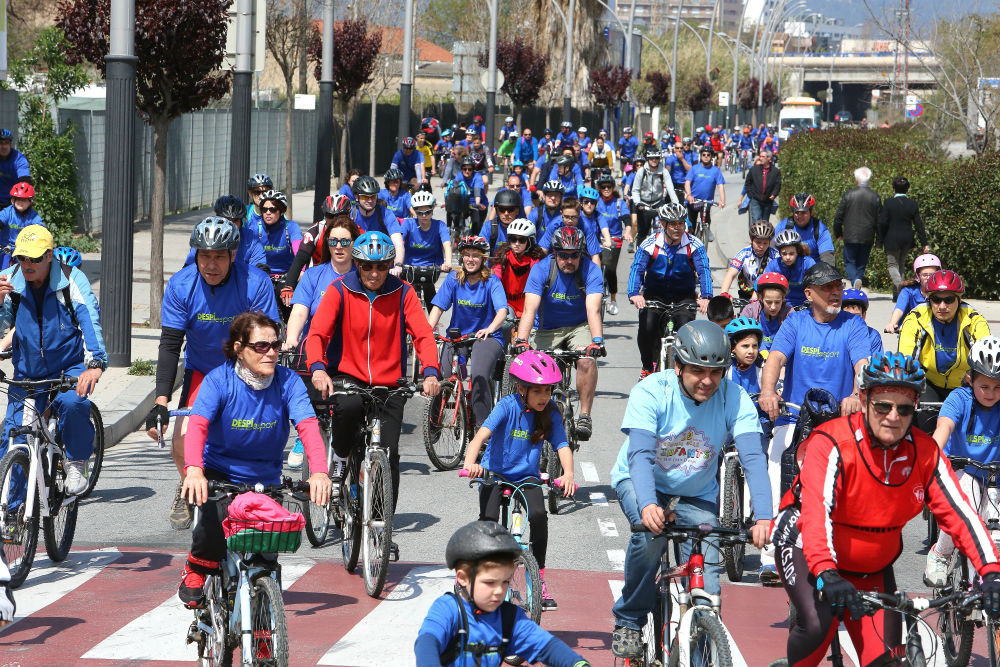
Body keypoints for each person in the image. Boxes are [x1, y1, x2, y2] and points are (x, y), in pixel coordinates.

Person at [770, 352, 1000, 667]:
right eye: (883, 406)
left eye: (904, 408)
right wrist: (826, 572)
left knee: (887, 661)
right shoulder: (833, 442)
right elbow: (815, 513)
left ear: (916, 407)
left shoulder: (925, 452)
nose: (893, 416)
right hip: (806, 546)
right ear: (864, 399)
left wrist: (991, 573)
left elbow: (963, 516)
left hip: (872, 565)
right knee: (816, 625)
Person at [609, 320, 772, 659]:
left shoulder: (734, 396)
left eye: (716, 371)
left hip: (696, 493)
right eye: (698, 371)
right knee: (651, 535)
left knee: (708, 589)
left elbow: (753, 457)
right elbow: (639, 454)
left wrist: (765, 517)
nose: (708, 381)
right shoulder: (652, 391)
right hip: (642, 482)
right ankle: (629, 619)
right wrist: (647, 505)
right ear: (678, 366)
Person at [177, 311, 331, 607]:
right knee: (211, 524)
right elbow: (197, 425)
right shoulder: (218, 380)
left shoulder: (288, 382)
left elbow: (308, 426)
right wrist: (194, 470)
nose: (271, 352)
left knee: (266, 556)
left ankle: (265, 634)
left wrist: (320, 473)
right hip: (220, 473)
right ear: (239, 348)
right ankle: (197, 566)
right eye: (261, 346)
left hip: (265, 480)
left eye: (275, 345)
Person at [305, 231, 441, 540]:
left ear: (390, 264)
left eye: (381, 266)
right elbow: (317, 334)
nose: (374, 274)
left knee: (389, 452)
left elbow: (422, 334)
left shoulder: (403, 292)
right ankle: (339, 463)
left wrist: (431, 371)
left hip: (389, 383)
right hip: (348, 378)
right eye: (367, 266)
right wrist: (318, 369)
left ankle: (380, 522)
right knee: (348, 409)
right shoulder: (339, 290)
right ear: (356, 264)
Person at [146, 217, 280, 530]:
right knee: (181, 442)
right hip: (202, 371)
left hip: (245, 370)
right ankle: (188, 485)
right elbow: (169, 345)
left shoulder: (255, 283)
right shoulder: (182, 284)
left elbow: (268, 340)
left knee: (249, 435)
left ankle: (252, 492)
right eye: (204, 255)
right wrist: (161, 402)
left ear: (234, 255)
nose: (211, 264)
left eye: (219, 256)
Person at [758, 261, 871, 582]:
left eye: (838, 286)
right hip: (795, 415)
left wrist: (856, 394)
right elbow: (776, 358)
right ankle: (769, 554)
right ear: (808, 294)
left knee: (849, 483)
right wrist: (768, 391)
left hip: (839, 420)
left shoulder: (853, 325)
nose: (836, 292)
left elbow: (863, 362)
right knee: (777, 465)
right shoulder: (795, 323)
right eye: (827, 287)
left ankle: (839, 550)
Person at [460, 351, 575, 610]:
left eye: (548, 391)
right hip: (496, 474)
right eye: (538, 392)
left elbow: (562, 445)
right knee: (489, 524)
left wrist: (568, 474)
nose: (545, 397)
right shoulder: (507, 406)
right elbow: (480, 437)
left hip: (527, 477)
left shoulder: (550, 412)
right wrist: (471, 463)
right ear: (521, 388)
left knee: (538, 516)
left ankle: (540, 580)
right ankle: (477, 577)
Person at [0, 224, 106, 497]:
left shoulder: (72, 280)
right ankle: (10, 516)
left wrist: (95, 364)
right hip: (27, 373)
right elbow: (4, 329)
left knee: (73, 403)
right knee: (13, 439)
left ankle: (76, 462)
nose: (27, 264)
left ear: (49, 255)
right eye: (22, 258)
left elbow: (90, 321)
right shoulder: (9, 281)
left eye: (34, 258)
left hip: (67, 367)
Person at [415, 521, 591, 667]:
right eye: (490, 582)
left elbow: (545, 646)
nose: (499, 591)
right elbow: (426, 642)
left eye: (505, 582)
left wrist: (577, 664)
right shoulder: (448, 609)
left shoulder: (509, 618)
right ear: (462, 578)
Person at [282, 213, 361, 469]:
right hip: (316, 353)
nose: (339, 246)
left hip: (352, 356)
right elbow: (300, 312)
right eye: (334, 241)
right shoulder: (314, 276)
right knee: (308, 404)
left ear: (354, 244)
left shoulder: (364, 276)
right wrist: (291, 339)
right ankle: (305, 437)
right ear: (326, 244)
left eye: (345, 241)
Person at [514, 227, 604, 441]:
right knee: (535, 371)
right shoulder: (541, 270)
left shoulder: (591, 271)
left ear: (581, 253)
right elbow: (529, 310)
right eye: (563, 255)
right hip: (546, 329)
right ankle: (530, 417)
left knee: (586, 361)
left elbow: (593, 310)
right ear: (555, 253)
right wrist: (521, 340)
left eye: (574, 255)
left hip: (578, 326)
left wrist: (597, 341)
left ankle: (584, 416)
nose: (569, 260)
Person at [924, 336, 1000, 586]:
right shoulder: (959, 398)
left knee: (995, 520)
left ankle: (989, 572)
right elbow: (943, 428)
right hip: (960, 468)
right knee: (965, 500)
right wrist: (930, 456)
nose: (991, 394)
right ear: (971, 379)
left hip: (993, 475)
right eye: (984, 387)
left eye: (998, 387)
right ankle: (941, 554)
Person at [428, 236, 508, 429]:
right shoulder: (454, 278)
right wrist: (426, 331)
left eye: (475, 256)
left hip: (486, 337)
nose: (470, 259)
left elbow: (502, 311)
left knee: (479, 376)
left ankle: (482, 431)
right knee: (444, 375)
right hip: (459, 337)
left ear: (483, 259)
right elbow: (438, 307)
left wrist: (490, 328)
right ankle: (433, 424)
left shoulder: (491, 281)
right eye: (466, 255)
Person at [628, 203, 713, 378]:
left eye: (681, 223)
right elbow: (637, 269)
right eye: (673, 224)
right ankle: (647, 367)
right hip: (655, 295)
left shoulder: (694, 244)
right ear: (662, 224)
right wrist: (634, 293)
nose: (678, 228)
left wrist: (706, 296)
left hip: (684, 297)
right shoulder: (650, 244)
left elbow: (704, 270)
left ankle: (684, 369)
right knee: (647, 326)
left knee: (686, 329)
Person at [898, 269, 991, 401]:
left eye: (949, 300)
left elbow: (986, 358)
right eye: (935, 299)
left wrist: (974, 374)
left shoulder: (973, 320)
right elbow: (906, 359)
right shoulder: (916, 318)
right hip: (929, 382)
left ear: (959, 299)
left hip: (964, 384)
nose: (942, 306)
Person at [280, 194, 352, 294]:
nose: (335, 220)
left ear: (349, 214)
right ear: (324, 215)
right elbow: (300, 259)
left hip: (349, 277)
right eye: (330, 216)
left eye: (341, 216)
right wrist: (289, 286)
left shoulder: (357, 231)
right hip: (321, 278)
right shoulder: (315, 231)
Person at [183, 195, 267, 271]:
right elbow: (188, 269)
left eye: (235, 221)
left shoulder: (251, 239)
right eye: (226, 219)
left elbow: (260, 270)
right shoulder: (204, 235)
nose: (230, 225)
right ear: (217, 217)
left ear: (242, 222)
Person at [878, 175, 929, 296]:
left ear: (893, 189)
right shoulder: (912, 204)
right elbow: (918, 225)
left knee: (892, 265)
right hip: (907, 239)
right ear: (907, 189)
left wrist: (879, 241)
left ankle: (901, 287)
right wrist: (924, 243)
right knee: (901, 264)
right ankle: (898, 295)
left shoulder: (888, 203)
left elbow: (882, 223)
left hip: (891, 239)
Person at [725, 317, 772, 450]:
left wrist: (777, 392)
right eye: (745, 346)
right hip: (730, 421)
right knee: (717, 453)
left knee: (761, 454)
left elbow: (776, 385)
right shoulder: (725, 369)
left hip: (758, 421)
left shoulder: (762, 367)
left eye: (755, 346)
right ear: (733, 348)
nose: (751, 351)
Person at [400, 190, 452, 306]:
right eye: (419, 212)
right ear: (415, 211)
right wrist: (396, 263)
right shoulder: (408, 224)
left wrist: (447, 263)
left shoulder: (440, 225)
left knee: (430, 293)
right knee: (406, 297)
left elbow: (447, 244)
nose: (424, 216)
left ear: (432, 210)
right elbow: (399, 242)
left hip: (432, 268)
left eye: (427, 212)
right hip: (410, 267)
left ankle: (433, 322)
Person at [833, 166, 882, 290]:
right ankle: (858, 280)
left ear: (856, 179)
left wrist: (838, 232)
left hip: (850, 235)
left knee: (849, 261)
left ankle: (855, 280)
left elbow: (839, 215)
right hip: (868, 235)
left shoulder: (849, 194)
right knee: (862, 263)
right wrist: (879, 240)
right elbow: (879, 221)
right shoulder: (875, 197)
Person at [493, 218, 544, 323]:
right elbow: (495, 277)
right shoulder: (502, 257)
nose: (516, 243)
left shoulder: (536, 261)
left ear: (529, 241)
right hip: (508, 305)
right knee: (505, 324)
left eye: (521, 240)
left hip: (529, 306)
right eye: (513, 239)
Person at [594, 173, 628, 315]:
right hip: (598, 239)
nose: (606, 189)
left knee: (610, 269)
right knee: (594, 269)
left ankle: (613, 299)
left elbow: (626, 218)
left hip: (615, 240)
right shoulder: (595, 202)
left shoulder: (619, 203)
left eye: (608, 186)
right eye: (603, 187)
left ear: (613, 187)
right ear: (599, 188)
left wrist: (628, 231)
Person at [351, 175, 406, 263]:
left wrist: (398, 265)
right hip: (357, 261)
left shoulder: (385, 213)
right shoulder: (350, 214)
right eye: (365, 197)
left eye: (373, 197)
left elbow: (397, 241)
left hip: (381, 262)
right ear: (356, 197)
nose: (370, 200)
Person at [719, 220, 779, 300]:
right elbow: (730, 274)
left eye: (765, 243)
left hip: (768, 296)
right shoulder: (744, 254)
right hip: (746, 294)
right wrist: (724, 294)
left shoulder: (775, 255)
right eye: (758, 242)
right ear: (751, 240)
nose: (761, 246)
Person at [884, 253, 941, 334]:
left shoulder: (942, 292)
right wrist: (892, 323)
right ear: (918, 275)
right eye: (924, 275)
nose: (928, 278)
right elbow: (899, 309)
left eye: (932, 275)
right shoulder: (908, 291)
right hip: (911, 332)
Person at [773, 193, 835, 265]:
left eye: (803, 212)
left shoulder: (820, 229)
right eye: (797, 212)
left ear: (811, 212)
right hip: (788, 270)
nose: (799, 216)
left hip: (814, 270)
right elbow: (774, 254)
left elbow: (827, 257)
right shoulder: (783, 226)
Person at [255, 190, 302, 280]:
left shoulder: (291, 227)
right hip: (262, 276)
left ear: (282, 211)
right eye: (264, 209)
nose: (268, 213)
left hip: (287, 276)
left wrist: (301, 271)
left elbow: (299, 252)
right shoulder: (255, 227)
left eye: (272, 209)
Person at [740, 272, 792, 352]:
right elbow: (742, 335)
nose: (773, 307)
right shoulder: (750, 311)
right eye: (768, 302)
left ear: (783, 297)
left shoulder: (789, 314)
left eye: (777, 302)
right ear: (760, 297)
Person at [763, 229, 816, 309]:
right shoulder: (773, 265)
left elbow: (818, 285)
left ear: (797, 251)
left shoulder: (808, 263)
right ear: (779, 252)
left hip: (805, 305)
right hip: (781, 306)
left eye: (791, 254)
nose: (787, 257)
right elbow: (762, 284)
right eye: (784, 254)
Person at [538, 199, 602, 265]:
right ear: (561, 213)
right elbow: (543, 250)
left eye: (574, 217)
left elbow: (595, 256)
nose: (570, 221)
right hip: (558, 258)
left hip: (577, 258)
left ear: (579, 214)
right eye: (566, 217)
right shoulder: (554, 225)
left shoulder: (586, 226)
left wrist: (598, 275)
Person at [683, 146, 726, 237]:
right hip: (693, 201)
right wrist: (689, 195)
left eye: (708, 155)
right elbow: (687, 183)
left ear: (711, 157)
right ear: (701, 156)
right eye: (704, 155)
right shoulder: (694, 168)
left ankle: (706, 230)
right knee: (691, 225)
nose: (706, 156)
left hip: (706, 202)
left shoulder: (716, 171)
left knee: (706, 220)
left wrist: (722, 201)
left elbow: (720, 186)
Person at [0, 182, 43, 270]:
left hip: (23, 251)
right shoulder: (7, 212)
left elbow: (41, 229)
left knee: (23, 273)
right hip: (4, 249)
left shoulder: (33, 216)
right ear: (13, 200)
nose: (20, 202)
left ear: (30, 202)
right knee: (3, 272)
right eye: (18, 199)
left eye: (24, 200)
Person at [630, 149, 667, 247]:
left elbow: (669, 188)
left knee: (664, 228)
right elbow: (635, 190)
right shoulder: (640, 172)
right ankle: (639, 251)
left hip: (657, 202)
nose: (654, 160)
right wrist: (638, 203)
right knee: (642, 231)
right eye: (651, 158)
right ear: (647, 159)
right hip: (642, 203)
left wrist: (674, 203)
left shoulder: (662, 171)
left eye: (656, 158)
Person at [841, 288, 884, 358]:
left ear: (864, 315)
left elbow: (877, 363)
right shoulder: (835, 334)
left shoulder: (872, 335)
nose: (853, 321)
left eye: (857, 316)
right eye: (848, 315)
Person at [742, 149, 780, 223]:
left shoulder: (775, 171)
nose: (760, 158)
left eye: (763, 156)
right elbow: (748, 183)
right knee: (756, 220)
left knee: (765, 222)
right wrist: (751, 194)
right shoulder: (754, 170)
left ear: (768, 158)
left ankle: (763, 234)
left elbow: (777, 185)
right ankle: (755, 234)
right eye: (760, 156)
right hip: (755, 200)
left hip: (767, 201)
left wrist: (774, 194)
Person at [0, 129, 31, 210]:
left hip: (12, 202)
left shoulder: (19, 159)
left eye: (6, 143)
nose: (3, 146)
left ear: (10, 144)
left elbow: (25, 182)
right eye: (0, 143)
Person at [664, 140, 693, 204]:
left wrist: (682, 159)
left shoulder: (686, 157)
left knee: (684, 203)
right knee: (667, 202)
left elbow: (690, 169)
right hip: (673, 183)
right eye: (677, 148)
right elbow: (667, 170)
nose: (679, 150)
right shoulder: (670, 158)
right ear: (674, 149)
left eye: (681, 148)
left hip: (683, 183)